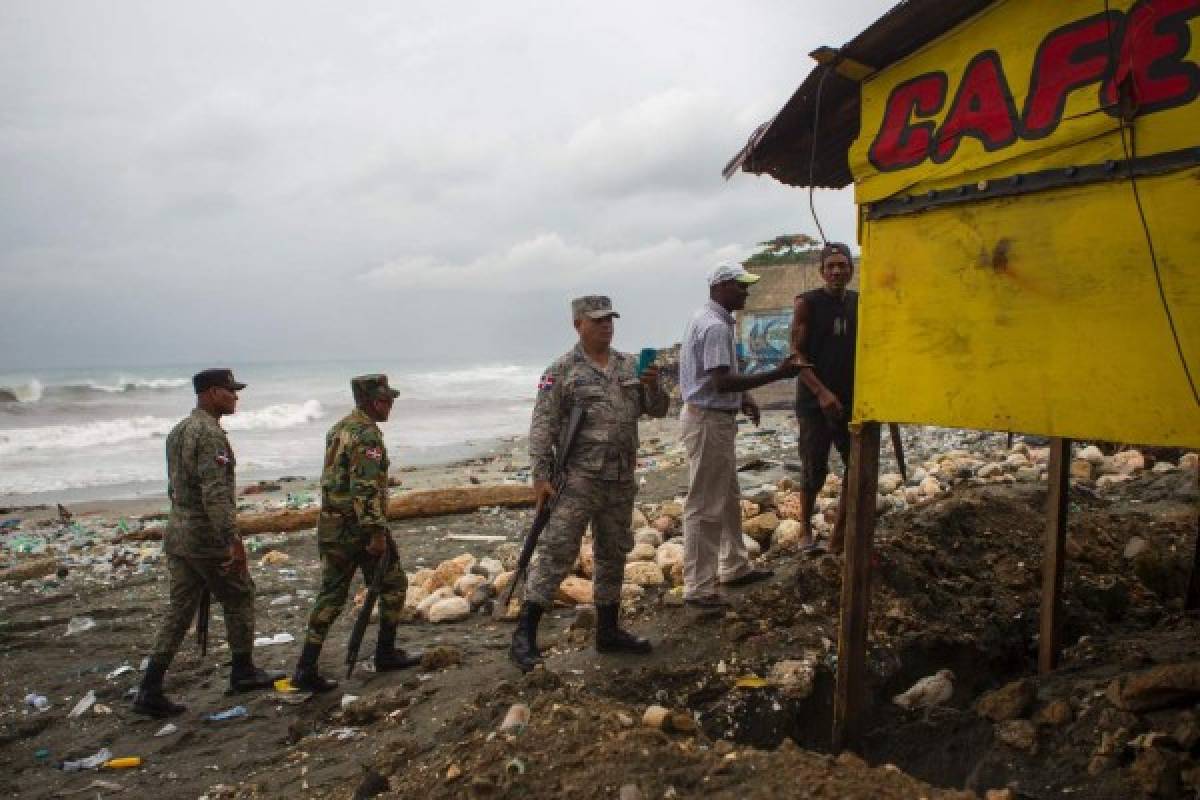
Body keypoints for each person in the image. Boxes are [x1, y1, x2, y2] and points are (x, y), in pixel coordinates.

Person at [509, 295, 670, 672]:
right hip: (578, 478)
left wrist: (653, 386)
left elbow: (659, 410)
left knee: (613, 551)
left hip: (620, 476)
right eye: (597, 320)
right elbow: (542, 425)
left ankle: (609, 629)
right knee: (556, 552)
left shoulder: (629, 365)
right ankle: (524, 635)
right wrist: (540, 476)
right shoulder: (561, 371)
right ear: (578, 324)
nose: (606, 326)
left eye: (610, 319)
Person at [132, 369, 279, 718]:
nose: (236, 397)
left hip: (179, 533)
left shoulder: (179, 430)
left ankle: (149, 687)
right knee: (239, 594)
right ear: (213, 393)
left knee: (179, 609)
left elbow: (175, 486)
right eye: (231, 391)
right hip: (205, 537)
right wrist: (232, 542)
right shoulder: (210, 435)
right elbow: (214, 494)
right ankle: (242, 670)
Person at [679, 264, 803, 609]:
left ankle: (733, 565)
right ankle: (698, 586)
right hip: (708, 421)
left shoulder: (707, 318)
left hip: (710, 416)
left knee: (728, 497)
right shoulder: (716, 326)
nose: (746, 292)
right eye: (740, 286)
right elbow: (721, 382)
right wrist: (778, 374)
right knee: (704, 504)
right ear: (720, 287)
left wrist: (743, 398)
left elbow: (720, 377)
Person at [291, 374, 421, 692]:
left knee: (331, 595)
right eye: (384, 400)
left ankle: (305, 667)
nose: (389, 405)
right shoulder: (367, 436)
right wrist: (376, 533)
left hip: (332, 526)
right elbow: (363, 489)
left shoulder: (339, 429)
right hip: (358, 529)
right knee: (393, 585)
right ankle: (385, 653)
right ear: (371, 401)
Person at [790, 242, 858, 553]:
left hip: (851, 401)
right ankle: (804, 527)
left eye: (841, 265)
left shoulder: (860, 303)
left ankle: (839, 537)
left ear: (851, 270)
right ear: (821, 271)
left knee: (855, 466)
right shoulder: (807, 304)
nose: (836, 271)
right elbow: (796, 354)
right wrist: (821, 392)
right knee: (813, 469)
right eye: (830, 266)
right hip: (814, 402)